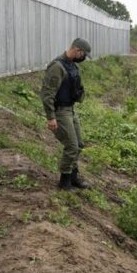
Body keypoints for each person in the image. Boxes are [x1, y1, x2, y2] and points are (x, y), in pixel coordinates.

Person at [40, 37, 92, 190]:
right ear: (77, 50)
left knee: (79, 145)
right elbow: (47, 94)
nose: (83, 58)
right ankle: (64, 180)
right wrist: (51, 117)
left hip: (70, 110)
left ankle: (73, 177)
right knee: (71, 146)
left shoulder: (72, 66)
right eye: (83, 55)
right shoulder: (57, 67)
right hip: (60, 112)